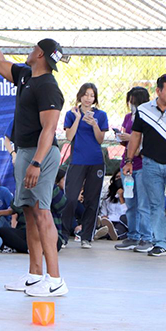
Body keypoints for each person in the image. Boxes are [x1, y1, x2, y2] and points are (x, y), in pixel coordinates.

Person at [0, 10, 67, 296]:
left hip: (40, 154)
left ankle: (56, 280)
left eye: (35, 48)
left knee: (43, 213)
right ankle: (35, 275)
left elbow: (49, 129)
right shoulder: (25, 76)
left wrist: (36, 162)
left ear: (42, 55)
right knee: (30, 214)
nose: (30, 50)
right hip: (25, 152)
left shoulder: (48, 86)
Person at [123, 74, 166, 257]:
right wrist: (129, 161)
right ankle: (160, 243)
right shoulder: (144, 110)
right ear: (158, 90)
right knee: (155, 205)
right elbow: (135, 136)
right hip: (150, 164)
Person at [62, 83, 109, 248]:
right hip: (77, 161)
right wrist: (77, 119)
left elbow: (100, 139)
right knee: (71, 198)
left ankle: (86, 237)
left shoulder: (101, 115)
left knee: (92, 199)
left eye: (92, 95)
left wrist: (94, 124)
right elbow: (69, 136)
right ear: (80, 95)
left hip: (96, 161)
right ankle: (63, 235)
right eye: (86, 94)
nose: (89, 98)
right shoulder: (71, 113)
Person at [115, 87, 152, 251]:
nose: (132, 105)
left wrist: (132, 138)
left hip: (143, 165)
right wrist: (122, 138)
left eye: (134, 102)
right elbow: (128, 140)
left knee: (144, 203)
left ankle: (147, 237)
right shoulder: (128, 118)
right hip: (127, 165)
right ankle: (133, 235)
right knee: (130, 202)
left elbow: (146, 140)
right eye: (130, 101)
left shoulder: (149, 118)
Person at [0, 169, 67, 253]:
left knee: (57, 243)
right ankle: (33, 249)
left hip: (48, 232)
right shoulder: (23, 186)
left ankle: (30, 249)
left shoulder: (51, 187)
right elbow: (16, 206)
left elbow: (62, 206)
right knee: (3, 231)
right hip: (26, 231)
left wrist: (48, 186)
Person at [97, 169, 127, 240]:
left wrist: (121, 197)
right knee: (103, 224)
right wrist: (104, 217)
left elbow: (127, 214)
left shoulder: (130, 195)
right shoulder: (108, 197)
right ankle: (101, 232)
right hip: (110, 221)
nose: (119, 179)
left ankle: (109, 234)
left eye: (121, 177)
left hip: (122, 222)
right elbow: (103, 213)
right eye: (117, 177)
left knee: (118, 230)